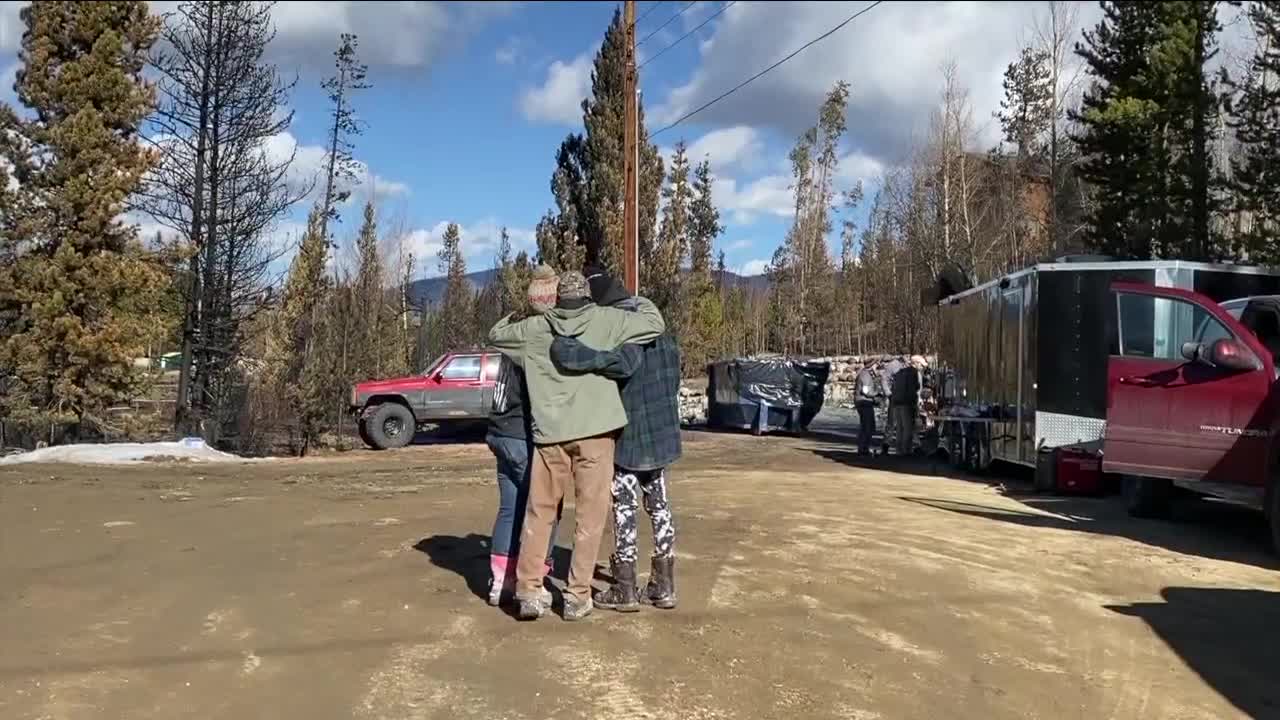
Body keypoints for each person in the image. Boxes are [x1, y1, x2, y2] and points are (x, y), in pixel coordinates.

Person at [488, 270, 666, 621]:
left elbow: (496, 335)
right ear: (587, 296)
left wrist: (522, 313)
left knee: (539, 514)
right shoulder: (609, 320)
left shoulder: (535, 329)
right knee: (589, 516)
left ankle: (528, 591)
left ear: (557, 298)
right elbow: (654, 322)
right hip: (596, 433)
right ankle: (576, 596)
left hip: (549, 435)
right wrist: (634, 299)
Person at [549, 266, 682, 613]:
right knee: (660, 507)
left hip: (630, 429)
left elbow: (622, 366)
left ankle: (625, 587)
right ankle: (664, 585)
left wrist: (574, 356)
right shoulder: (656, 323)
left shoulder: (621, 329)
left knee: (624, 505)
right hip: (663, 428)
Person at [484, 267, 562, 607]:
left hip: (499, 432)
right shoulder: (535, 344)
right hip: (521, 436)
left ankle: (500, 579)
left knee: (509, 507)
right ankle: (536, 576)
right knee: (546, 508)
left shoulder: (511, 339)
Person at [890, 356, 922, 456]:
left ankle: (899, 450)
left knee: (899, 428)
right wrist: (915, 404)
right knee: (908, 428)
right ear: (916, 363)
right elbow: (915, 388)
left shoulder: (900, 372)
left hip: (896, 402)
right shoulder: (914, 372)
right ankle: (906, 451)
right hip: (907, 403)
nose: (921, 367)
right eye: (921, 364)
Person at [853, 360, 884, 455]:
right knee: (867, 426)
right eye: (876, 366)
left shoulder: (866, 374)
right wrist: (878, 394)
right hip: (864, 403)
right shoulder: (865, 376)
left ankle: (863, 447)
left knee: (867, 426)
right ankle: (863, 448)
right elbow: (866, 391)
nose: (877, 369)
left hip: (864, 402)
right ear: (871, 366)